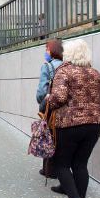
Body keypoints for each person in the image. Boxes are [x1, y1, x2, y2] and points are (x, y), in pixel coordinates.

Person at [44, 39, 100, 198]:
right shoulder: (95, 73)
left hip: (70, 124)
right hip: (94, 125)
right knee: (80, 164)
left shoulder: (65, 70)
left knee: (60, 163)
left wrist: (49, 98)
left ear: (68, 54)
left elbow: (60, 98)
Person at [35, 39, 62, 177]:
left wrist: (41, 101)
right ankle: (61, 170)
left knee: (48, 136)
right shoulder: (67, 66)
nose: (45, 53)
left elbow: (41, 91)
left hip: (51, 107)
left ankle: (48, 169)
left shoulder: (47, 67)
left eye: (46, 50)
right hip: (65, 109)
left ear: (52, 51)